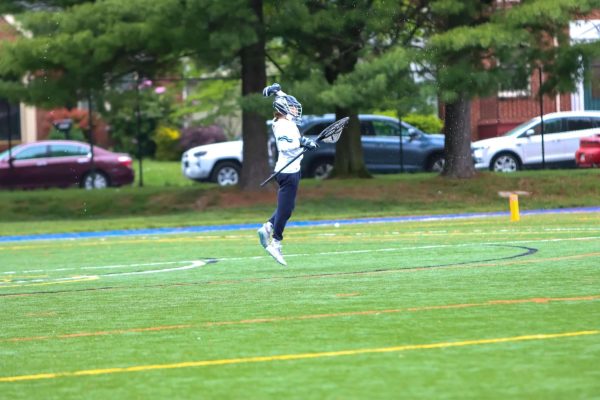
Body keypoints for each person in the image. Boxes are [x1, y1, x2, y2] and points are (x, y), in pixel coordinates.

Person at [258, 83, 318, 265]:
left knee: (287, 207)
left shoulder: (284, 120)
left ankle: (267, 227)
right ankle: (275, 242)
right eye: (291, 107)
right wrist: (302, 143)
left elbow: (283, 100)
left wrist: (276, 90)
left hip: (291, 171)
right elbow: (285, 147)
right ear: (284, 109)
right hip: (287, 172)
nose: (295, 109)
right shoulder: (283, 125)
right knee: (286, 209)